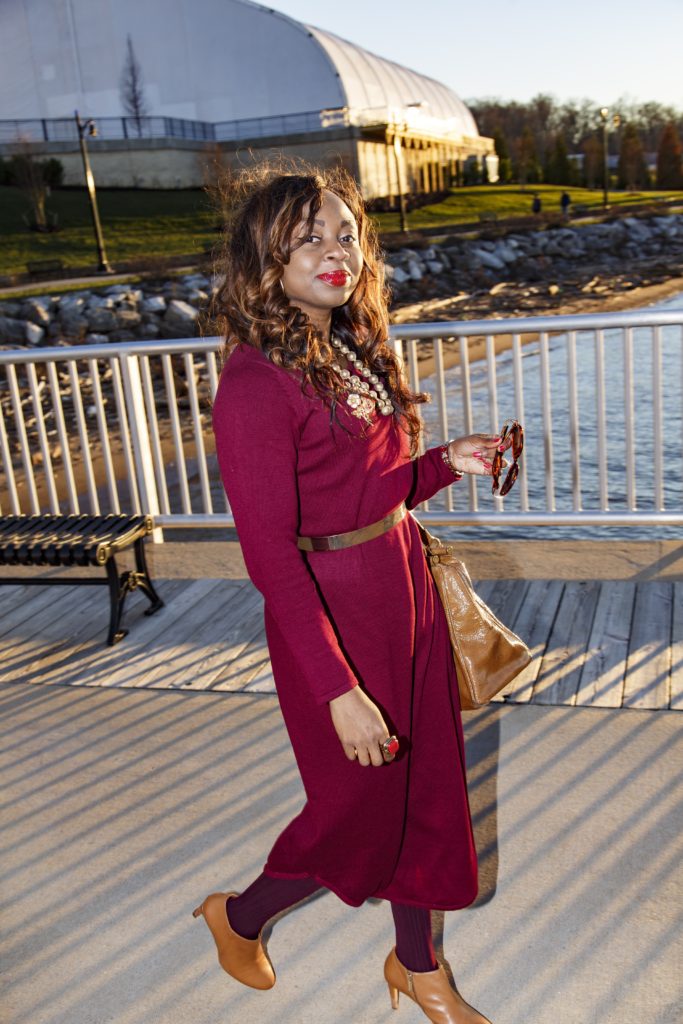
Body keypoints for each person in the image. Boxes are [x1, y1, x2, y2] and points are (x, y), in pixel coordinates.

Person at [194, 163, 508, 1023]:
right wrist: (339, 690)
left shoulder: (351, 345)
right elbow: (270, 554)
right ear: (266, 257)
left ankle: (419, 967)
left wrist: (447, 462)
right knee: (356, 806)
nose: (336, 252)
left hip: (399, 581)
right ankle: (239, 915)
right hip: (329, 609)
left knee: (429, 782)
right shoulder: (255, 385)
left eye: (345, 234)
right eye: (309, 239)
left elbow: (371, 493)